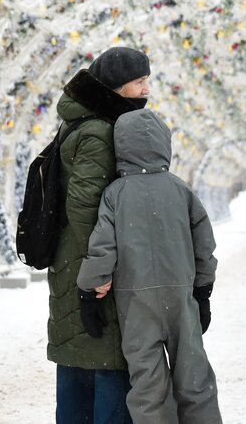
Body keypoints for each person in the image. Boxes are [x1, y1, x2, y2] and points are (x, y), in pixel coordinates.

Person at [77, 109, 221, 424]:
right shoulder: (180, 189)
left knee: (148, 385)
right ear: (164, 144)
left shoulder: (115, 193)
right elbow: (204, 242)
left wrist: (89, 288)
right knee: (194, 378)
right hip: (180, 296)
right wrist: (203, 289)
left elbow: (102, 247)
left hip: (136, 301)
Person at [49, 46, 150, 424]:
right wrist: (101, 270)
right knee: (107, 360)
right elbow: (85, 206)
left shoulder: (81, 122)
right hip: (89, 265)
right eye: (138, 82)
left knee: (77, 360)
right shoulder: (99, 132)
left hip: (73, 260)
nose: (145, 90)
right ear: (114, 89)